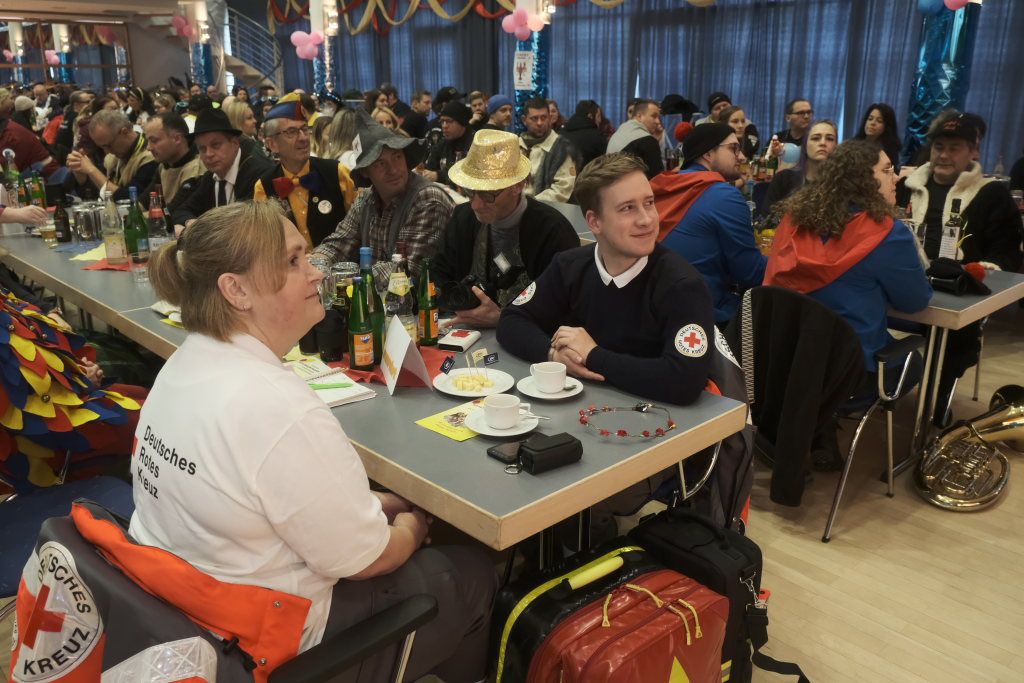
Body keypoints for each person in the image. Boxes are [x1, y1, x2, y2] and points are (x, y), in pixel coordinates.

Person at [133, 200, 495, 680]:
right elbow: (369, 558)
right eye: (292, 261)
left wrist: (378, 504)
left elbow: (268, 499)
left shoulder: (186, 363)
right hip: (266, 642)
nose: (316, 273)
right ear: (236, 290)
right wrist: (414, 524)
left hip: (187, 606)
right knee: (471, 570)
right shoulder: (277, 406)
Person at [765, 140, 932, 468]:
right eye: (887, 170)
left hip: (787, 366)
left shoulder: (794, 222)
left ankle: (820, 423)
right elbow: (915, 301)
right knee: (914, 360)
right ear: (862, 180)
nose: (897, 177)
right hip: (851, 378)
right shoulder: (887, 234)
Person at [498, 151, 714, 404]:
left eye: (649, 203)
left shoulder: (682, 286)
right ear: (594, 222)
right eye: (627, 208)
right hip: (583, 408)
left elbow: (685, 381)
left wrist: (593, 356)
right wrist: (555, 356)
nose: (647, 219)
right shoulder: (568, 266)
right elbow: (512, 319)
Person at [896, 114, 1023, 424]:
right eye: (939, 146)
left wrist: (980, 270)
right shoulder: (906, 187)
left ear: (972, 152)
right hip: (904, 284)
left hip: (959, 292)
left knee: (955, 337)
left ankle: (937, 398)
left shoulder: (991, 194)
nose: (944, 155)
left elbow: (1006, 254)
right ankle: (877, 385)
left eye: (954, 148)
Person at [433, 130, 579, 327]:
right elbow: (438, 275)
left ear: (518, 186)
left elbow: (564, 309)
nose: (475, 205)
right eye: (470, 192)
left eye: (488, 195)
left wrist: (502, 319)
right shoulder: (463, 218)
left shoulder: (552, 231)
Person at [312, 114, 454, 289]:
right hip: (380, 300)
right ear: (365, 172)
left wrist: (344, 281)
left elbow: (406, 271)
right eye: (380, 163)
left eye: (397, 157)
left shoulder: (427, 198)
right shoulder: (366, 199)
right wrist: (316, 264)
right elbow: (338, 244)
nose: (393, 170)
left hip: (425, 303)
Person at [656, 122, 766, 327]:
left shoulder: (668, 184)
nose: (742, 157)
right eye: (734, 148)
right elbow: (751, 274)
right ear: (708, 154)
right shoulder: (723, 195)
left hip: (656, 306)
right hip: (704, 315)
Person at [253, 100, 356, 248]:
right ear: (272, 144)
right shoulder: (264, 187)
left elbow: (359, 226)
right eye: (291, 132)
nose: (303, 138)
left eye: (304, 129)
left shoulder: (337, 172)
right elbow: (265, 242)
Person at [171, 107, 276, 229]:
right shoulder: (210, 178)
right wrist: (190, 223)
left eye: (215, 145)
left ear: (235, 144)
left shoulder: (258, 175)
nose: (209, 154)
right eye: (202, 149)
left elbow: (246, 224)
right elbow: (180, 211)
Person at [67, 108, 158, 200]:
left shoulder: (150, 156)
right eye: (102, 147)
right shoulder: (112, 157)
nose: (107, 152)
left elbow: (130, 199)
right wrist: (81, 175)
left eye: (108, 145)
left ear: (125, 132)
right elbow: (98, 197)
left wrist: (92, 170)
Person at [761, 119, 838, 216]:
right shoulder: (783, 179)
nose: (823, 143)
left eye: (830, 139)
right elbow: (766, 218)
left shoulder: (840, 186)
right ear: (805, 145)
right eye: (816, 138)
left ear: (836, 146)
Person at [519, 97, 579, 203]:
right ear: (524, 120)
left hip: (544, 207)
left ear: (550, 118)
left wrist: (530, 204)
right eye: (534, 118)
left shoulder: (562, 148)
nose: (539, 123)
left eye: (544, 118)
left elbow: (562, 190)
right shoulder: (516, 145)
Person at [143, 112, 205, 210]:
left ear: (177, 139)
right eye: (148, 141)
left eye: (154, 141)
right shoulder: (164, 165)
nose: (148, 148)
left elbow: (173, 211)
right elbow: (144, 201)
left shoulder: (196, 170)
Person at [0, 89, 59, 179]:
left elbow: (12, 175)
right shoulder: (9, 125)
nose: (12, 102)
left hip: (46, 177)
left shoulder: (8, 134)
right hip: (38, 172)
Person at [606, 98, 664, 178]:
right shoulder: (648, 140)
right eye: (654, 116)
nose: (658, 122)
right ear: (639, 116)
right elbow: (657, 179)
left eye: (658, 117)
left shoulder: (619, 132)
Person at [423, 101, 474, 188]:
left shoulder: (475, 144)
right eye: (442, 121)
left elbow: (467, 175)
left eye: (449, 121)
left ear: (462, 122)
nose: (444, 126)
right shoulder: (443, 143)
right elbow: (430, 166)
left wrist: (438, 176)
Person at [560, 100, 607, 171]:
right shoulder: (597, 137)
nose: (600, 120)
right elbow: (604, 165)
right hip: (589, 176)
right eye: (598, 116)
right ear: (590, 116)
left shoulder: (561, 133)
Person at [854, 103, 901, 171]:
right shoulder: (853, 146)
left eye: (879, 121)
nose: (872, 123)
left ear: (887, 127)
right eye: (870, 119)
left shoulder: (887, 153)